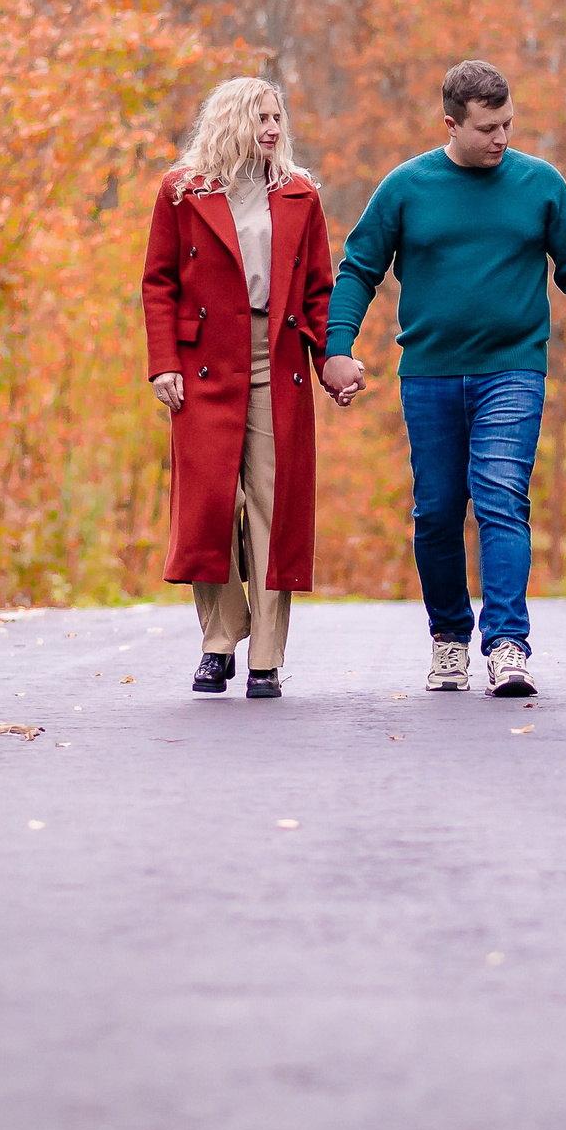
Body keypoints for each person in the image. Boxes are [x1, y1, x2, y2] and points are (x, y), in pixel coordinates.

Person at [319, 59, 566, 697]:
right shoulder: (407, 187)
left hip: (512, 369)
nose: (501, 138)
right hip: (429, 373)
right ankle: (450, 640)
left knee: (500, 498)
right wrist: (337, 349)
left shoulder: (540, 185)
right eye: (487, 127)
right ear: (451, 123)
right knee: (435, 512)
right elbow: (357, 270)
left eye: (508, 123)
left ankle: (508, 644)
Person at [140, 77, 337, 699]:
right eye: (261, 118)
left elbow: (319, 293)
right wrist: (163, 362)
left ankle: (267, 658)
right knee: (211, 507)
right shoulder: (182, 191)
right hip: (202, 363)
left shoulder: (300, 194)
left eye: (278, 116)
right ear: (231, 121)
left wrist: (334, 361)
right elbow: (159, 283)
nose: (273, 129)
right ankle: (219, 640)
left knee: (273, 508)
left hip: (276, 359)